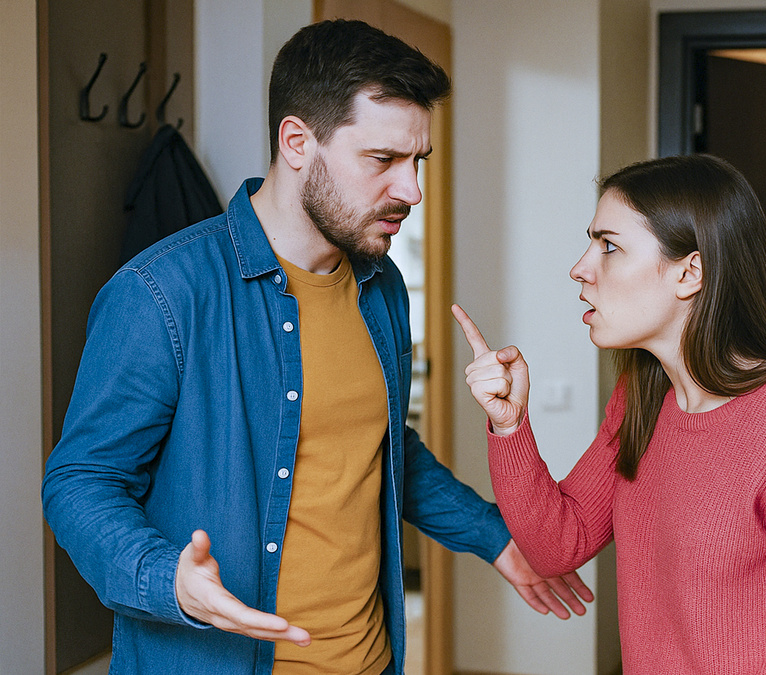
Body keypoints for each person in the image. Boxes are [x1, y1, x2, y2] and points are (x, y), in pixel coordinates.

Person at [42, 19, 591, 674]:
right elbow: (80, 482)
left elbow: (381, 447)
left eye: (418, 160)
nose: (412, 190)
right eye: (383, 160)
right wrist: (167, 580)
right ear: (297, 142)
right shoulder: (161, 292)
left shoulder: (381, 286)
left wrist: (495, 535)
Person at [452, 154, 766, 674]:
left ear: (689, 272)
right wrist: (510, 425)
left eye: (609, 246)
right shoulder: (643, 395)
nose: (580, 268)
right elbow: (557, 544)